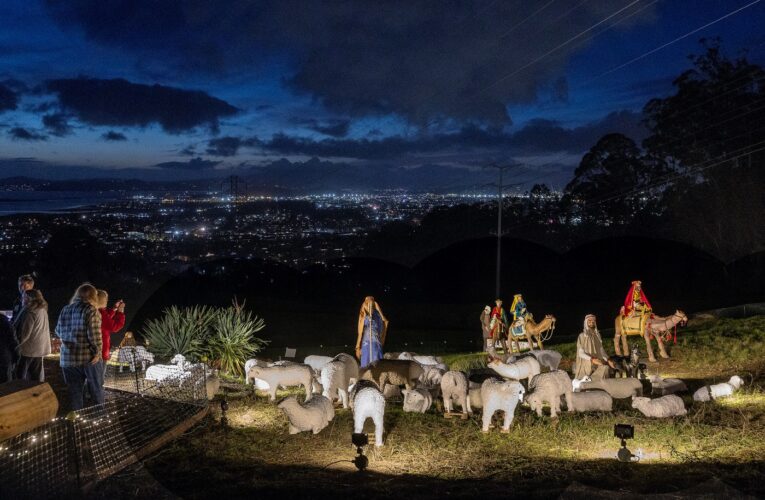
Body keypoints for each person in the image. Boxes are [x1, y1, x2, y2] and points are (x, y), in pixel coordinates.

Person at [55, 283, 103, 410]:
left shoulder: (65, 309)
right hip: (87, 358)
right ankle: (101, 419)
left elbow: (58, 331)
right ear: (94, 296)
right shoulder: (91, 310)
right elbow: (94, 335)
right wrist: (98, 353)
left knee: (74, 393)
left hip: (67, 358)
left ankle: (77, 421)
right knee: (96, 390)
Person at [13, 289, 51, 382]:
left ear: (28, 298)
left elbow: (24, 333)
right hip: (39, 349)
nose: (22, 299)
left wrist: (15, 345)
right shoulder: (42, 309)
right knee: (36, 378)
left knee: (20, 377)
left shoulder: (29, 311)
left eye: (23, 297)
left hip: (27, 350)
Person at [573, 314, 614, 380]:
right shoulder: (582, 336)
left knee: (605, 369)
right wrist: (592, 359)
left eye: (593, 321)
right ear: (586, 322)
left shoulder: (597, 335)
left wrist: (608, 360)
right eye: (589, 321)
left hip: (598, 363)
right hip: (586, 364)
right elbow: (580, 353)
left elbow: (601, 351)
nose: (592, 322)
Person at [355, 296, 388, 368]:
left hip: (375, 342)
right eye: (368, 304)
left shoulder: (378, 315)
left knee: (376, 360)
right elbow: (360, 330)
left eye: (372, 304)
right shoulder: (363, 314)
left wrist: (377, 315)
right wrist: (366, 319)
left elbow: (381, 326)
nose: (369, 306)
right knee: (366, 361)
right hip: (366, 343)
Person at [96, 290, 126, 367]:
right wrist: (120, 312)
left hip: (93, 352)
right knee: (97, 378)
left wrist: (114, 308)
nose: (107, 301)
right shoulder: (101, 313)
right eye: (106, 299)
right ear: (102, 301)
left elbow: (106, 319)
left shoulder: (94, 311)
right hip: (100, 353)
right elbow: (115, 327)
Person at [0, 313, 18, 383]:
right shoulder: (4, 320)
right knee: (6, 385)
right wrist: (16, 356)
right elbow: (13, 340)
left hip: (4, 356)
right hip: (4, 357)